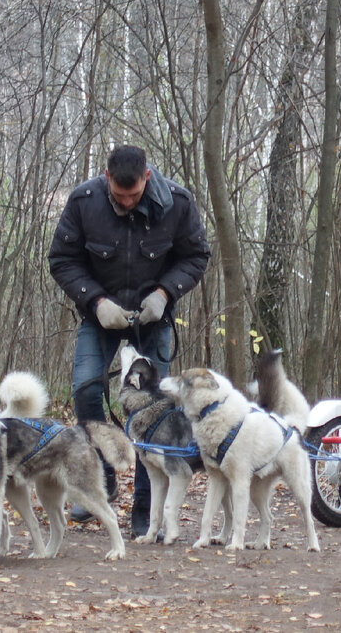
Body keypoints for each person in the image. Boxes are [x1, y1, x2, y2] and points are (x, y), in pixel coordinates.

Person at [48, 144, 210, 538]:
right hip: (100, 317)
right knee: (86, 390)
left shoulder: (178, 203)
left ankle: (144, 511)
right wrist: (95, 300)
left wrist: (165, 294)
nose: (125, 202)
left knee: (153, 414)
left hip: (153, 320)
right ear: (106, 179)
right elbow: (61, 260)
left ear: (147, 178)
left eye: (133, 195)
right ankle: (100, 480)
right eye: (118, 196)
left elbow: (197, 256)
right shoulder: (84, 202)